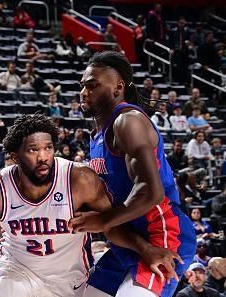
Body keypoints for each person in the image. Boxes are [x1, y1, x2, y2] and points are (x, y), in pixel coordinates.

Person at [0, 113, 183, 297]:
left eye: (48, 148)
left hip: (69, 279)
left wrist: (145, 249)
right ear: (15, 156)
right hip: (15, 273)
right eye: (33, 150)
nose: (43, 156)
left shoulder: (79, 180)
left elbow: (111, 226)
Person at [77, 51, 196, 297]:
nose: (84, 92)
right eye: (82, 86)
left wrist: (103, 221)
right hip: (130, 239)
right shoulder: (97, 136)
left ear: (118, 86)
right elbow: (110, 210)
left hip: (161, 232)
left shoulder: (128, 121)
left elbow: (150, 191)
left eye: (93, 85)